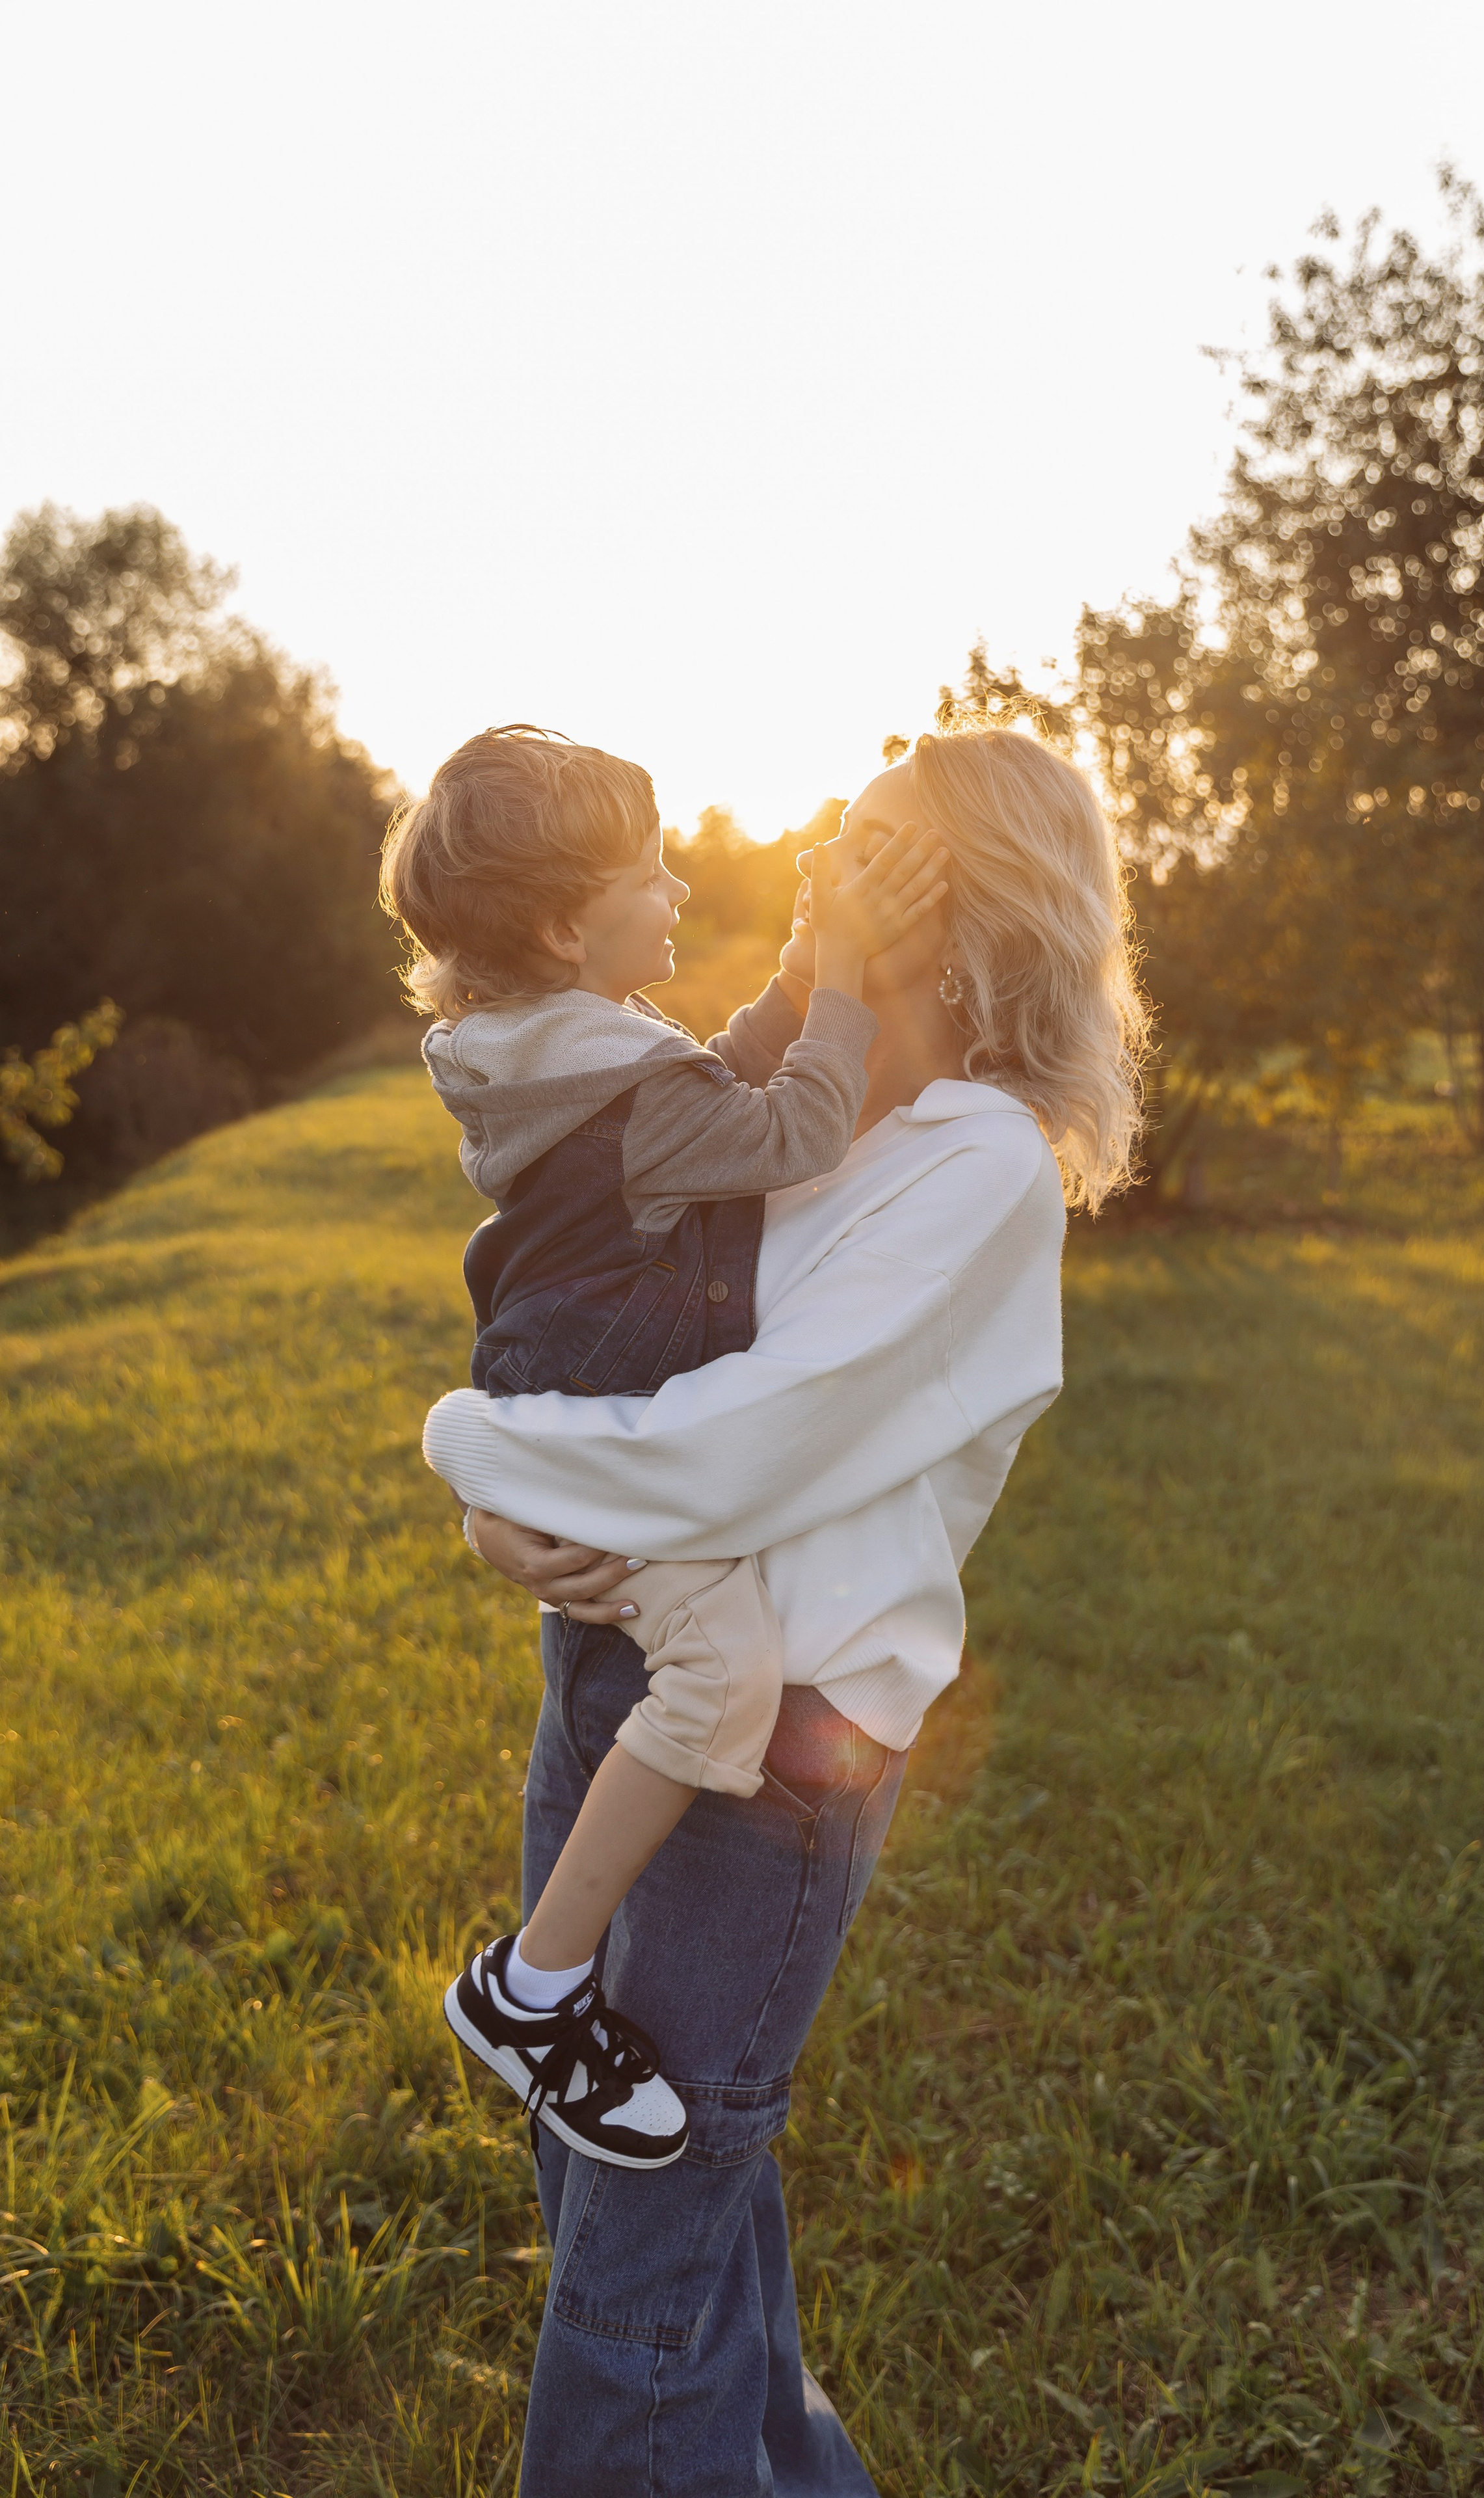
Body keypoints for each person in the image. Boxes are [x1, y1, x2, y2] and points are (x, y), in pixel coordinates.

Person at [424, 726, 1147, 2497]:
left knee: (638, 2271)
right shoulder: (814, 1109)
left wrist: (473, 1453)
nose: (826, 870)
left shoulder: (972, 1163)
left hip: (772, 1754)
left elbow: (739, 1447)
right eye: (837, 840)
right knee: (634, 2186)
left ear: (970, 916)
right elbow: (608, 1309)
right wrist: (511, 1514)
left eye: (877, 857)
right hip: (622, 1673)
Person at [381, 725, 949, 2168]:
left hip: (575, 1407)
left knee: (690, 1676)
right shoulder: (622, 1096)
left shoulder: (559, 1061)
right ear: (568, 931)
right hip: (613, 1433)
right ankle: (532, 1989)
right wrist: (841, 982)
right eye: (649, 874)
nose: (681, 888)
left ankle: (544, 1984)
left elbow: (716, 1089)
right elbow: (793, 1128)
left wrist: (807, 960)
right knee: (722, 1678)